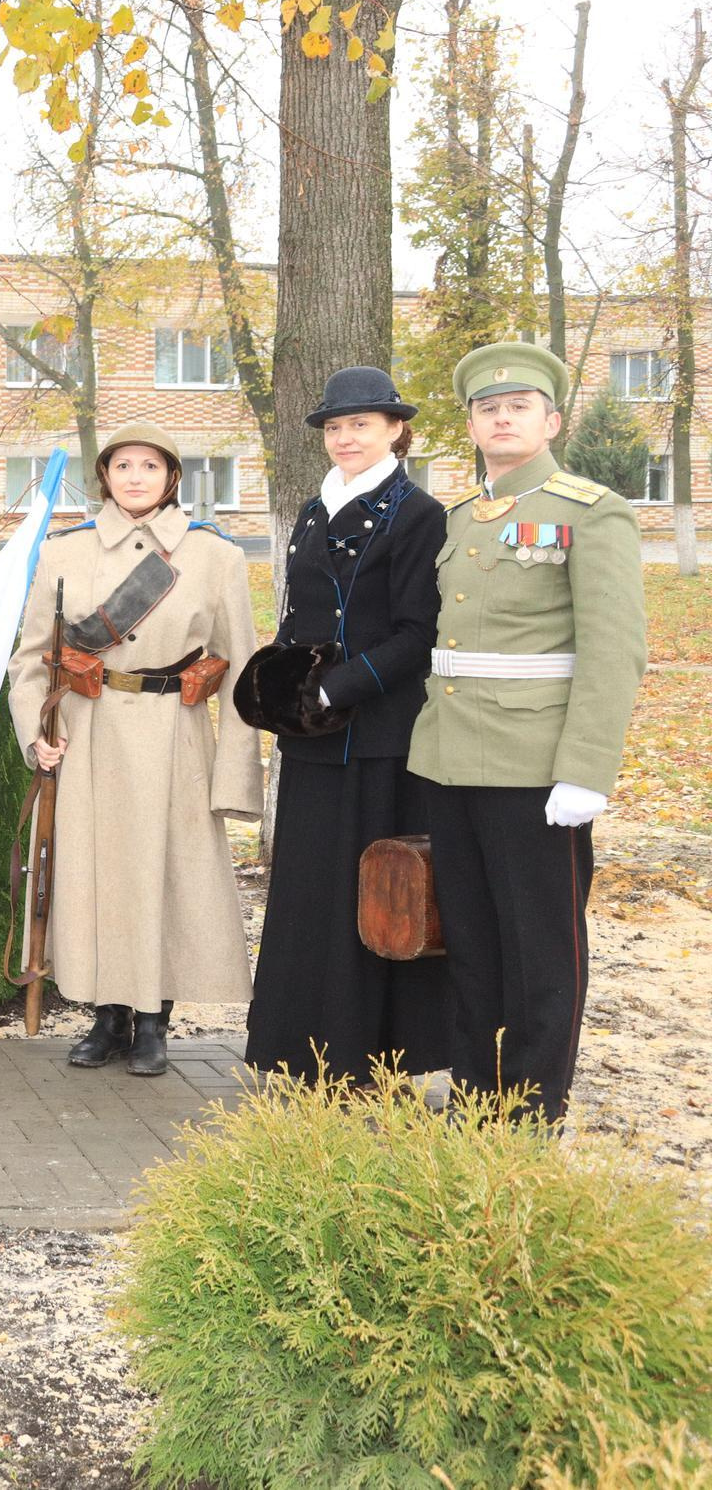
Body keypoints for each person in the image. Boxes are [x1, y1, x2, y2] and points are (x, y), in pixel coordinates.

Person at [407, 342, 646, 1123]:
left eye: (517, 406)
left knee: (541, 949)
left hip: (538, 769)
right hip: (452, 760)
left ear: (550, 419)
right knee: (472, 943)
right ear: (472, 424)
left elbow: (614, 650)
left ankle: (537, 1106)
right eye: (486, 408)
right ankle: (478, 1092)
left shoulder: (589, 510)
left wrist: (586, 769)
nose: (501, 417)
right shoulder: (459, 518)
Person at [9, 420, 262, 1077]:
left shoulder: (215, 556)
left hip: (174, 737)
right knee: (97, 876)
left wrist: (235, 776)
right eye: (124, 465)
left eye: (150, 465)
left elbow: (242, 671)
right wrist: (35, 732)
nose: (136, 476)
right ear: (106, 476)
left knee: (164, 876)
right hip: (89, 732)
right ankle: (106, 1015)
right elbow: (32, 658)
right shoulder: (65, 552)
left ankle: (154, 1020)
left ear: (171, 476)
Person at [240, 367, 448, 1084]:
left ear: (395, 429)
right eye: (335, 426)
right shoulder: (311, 509)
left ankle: (368, 1058)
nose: (345, 437)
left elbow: (419, 630)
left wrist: (339, 687)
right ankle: (298, 1048)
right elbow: (303, 616)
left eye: (361, 423)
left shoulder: (418, 513)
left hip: (379, 734)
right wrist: (287, 688)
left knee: (369, 897)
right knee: (305, 893)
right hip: (311, 735)